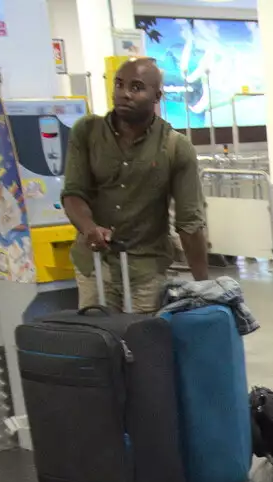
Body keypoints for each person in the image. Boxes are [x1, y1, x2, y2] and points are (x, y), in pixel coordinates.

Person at [62, 58, 209, 314]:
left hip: (146, 270)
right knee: (99, 344)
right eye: (119, 85)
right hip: (95, 266)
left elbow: (190, 223)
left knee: (143, 344)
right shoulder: (87, 132)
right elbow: (74, 193)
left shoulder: (175, 147)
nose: (124, 94)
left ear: (157, 96)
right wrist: (89, 228)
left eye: (137, 87)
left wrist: (204, 286)